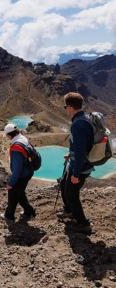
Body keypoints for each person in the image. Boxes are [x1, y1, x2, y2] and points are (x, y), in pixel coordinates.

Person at [59, 92, 94, 231]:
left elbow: (80, 152)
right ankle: (69, 211)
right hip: (78, 162)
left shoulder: (78, 124)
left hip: (80, 166)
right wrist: (70, 154)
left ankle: (83, 223)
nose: (65, 109)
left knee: (72, 194)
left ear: (70, 107)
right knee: (63, 184)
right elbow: (80, 146)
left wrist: (76, 173)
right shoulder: (84, 119)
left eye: (65, 106)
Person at [1, 123, 35, 222]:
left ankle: (9, 216)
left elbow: (17, 169)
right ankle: (29, 212)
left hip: (22, 174)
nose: (6, 137)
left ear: (9, 135)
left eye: (6, 135)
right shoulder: (23, 138)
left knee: (12, 193)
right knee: (20, 193)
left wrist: (11, 183)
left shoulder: (16, 148)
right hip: (28, 171)